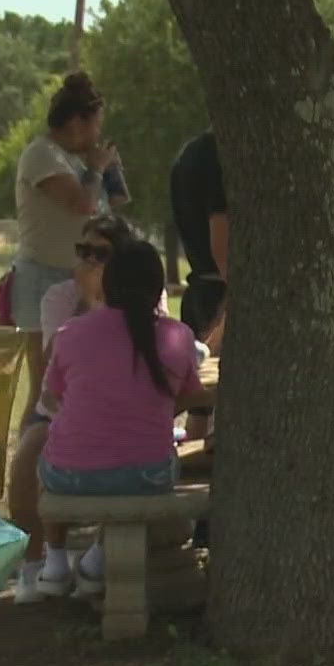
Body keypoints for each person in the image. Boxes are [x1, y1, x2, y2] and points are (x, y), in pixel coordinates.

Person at [36, 239, 204, 594]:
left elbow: (53, 396)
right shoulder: (179, 336)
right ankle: (97, 558)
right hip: (147, 475)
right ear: (158, 287)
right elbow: (189, 395)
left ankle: (54, 563)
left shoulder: (71, 333)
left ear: (107, 285)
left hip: (68, 475)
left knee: (48, 456)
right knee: (130, 465)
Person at [9, 215, 142, 601]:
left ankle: (98, 555)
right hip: (58, 408)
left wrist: (109, 300)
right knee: (28, 454)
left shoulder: (145, 295)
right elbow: (55, 362)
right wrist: (88, 301)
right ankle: (39, 564)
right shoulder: (60, 297)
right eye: (82, 251)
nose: (86, 260)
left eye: (99, 253)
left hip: (114, 411)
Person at [11, 72, 124, 424]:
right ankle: (30, 465)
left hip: (85, 277)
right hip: (44, 275)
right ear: (76, 123)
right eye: (95, 125)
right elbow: (82, 205)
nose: (97, 135)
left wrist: (112, 171)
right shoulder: (42, 155)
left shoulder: (80, 159)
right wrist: (96, 168)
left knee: (87, 377)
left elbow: (117, 203)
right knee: (47, 384)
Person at [168, 130, 227, 341]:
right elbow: (221, 236)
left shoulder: (190, 151)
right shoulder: (218, 153)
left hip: (199, 291)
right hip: (219, 296)